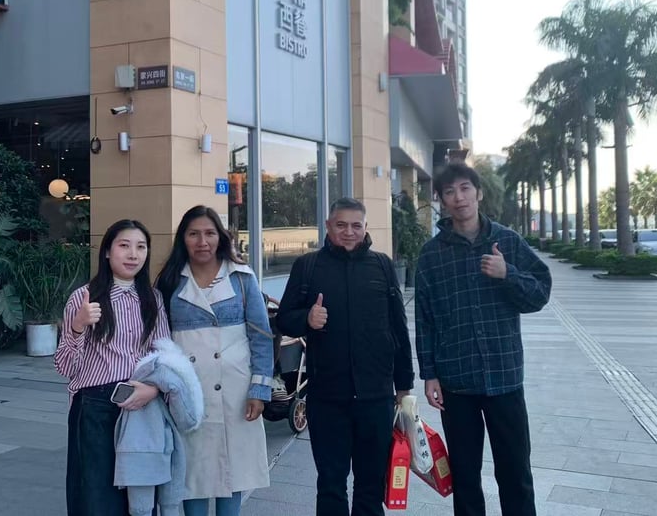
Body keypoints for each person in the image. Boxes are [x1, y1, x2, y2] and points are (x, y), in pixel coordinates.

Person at [414, 163, 552, 516]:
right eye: (449, 192)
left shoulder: (507, 242)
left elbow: (540, 294)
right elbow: (424, 319)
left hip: (504, 377)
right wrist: (429, 374)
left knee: (515, 472)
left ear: (478, 192)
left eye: (465, 188)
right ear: (441, 200)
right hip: (456, 382)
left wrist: (508, 274)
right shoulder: (431, 255)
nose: (458, 197)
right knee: (464, 475)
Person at [277, 197, 415, 516]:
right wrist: (306, 319)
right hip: (327, 398)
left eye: (356, 225)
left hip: (376, 396)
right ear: (328, 226)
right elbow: (284, 319)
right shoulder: (308, 266)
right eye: (341, 225)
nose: (349, 232)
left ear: (365, 227)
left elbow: (398, 327)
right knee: (331, 485)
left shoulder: (382, 265)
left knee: (371, 486)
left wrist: (404, 385)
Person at [155, 206, 273, 516]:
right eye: (193, 234)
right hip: (189, 394)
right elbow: (157, 338)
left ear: (220, 237)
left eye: (209, 233)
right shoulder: (170, 281)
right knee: (192, 473)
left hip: (236, 393)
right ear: (183, 239)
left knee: (233, 472)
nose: (202, 241)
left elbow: (261, 336)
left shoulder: (241, 277)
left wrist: (260, 389)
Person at [55, 219, 171, 516]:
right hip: (94, 408)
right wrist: (78, 326)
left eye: (141, 247)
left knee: (139, 496)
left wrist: (154, 389)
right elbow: (65, 366)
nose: (133, 254)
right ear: (107, 251)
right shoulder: (84, 298)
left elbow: (164, 357)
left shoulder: (153, 299)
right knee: (95, 497)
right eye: (124, 245)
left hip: (140, 406)